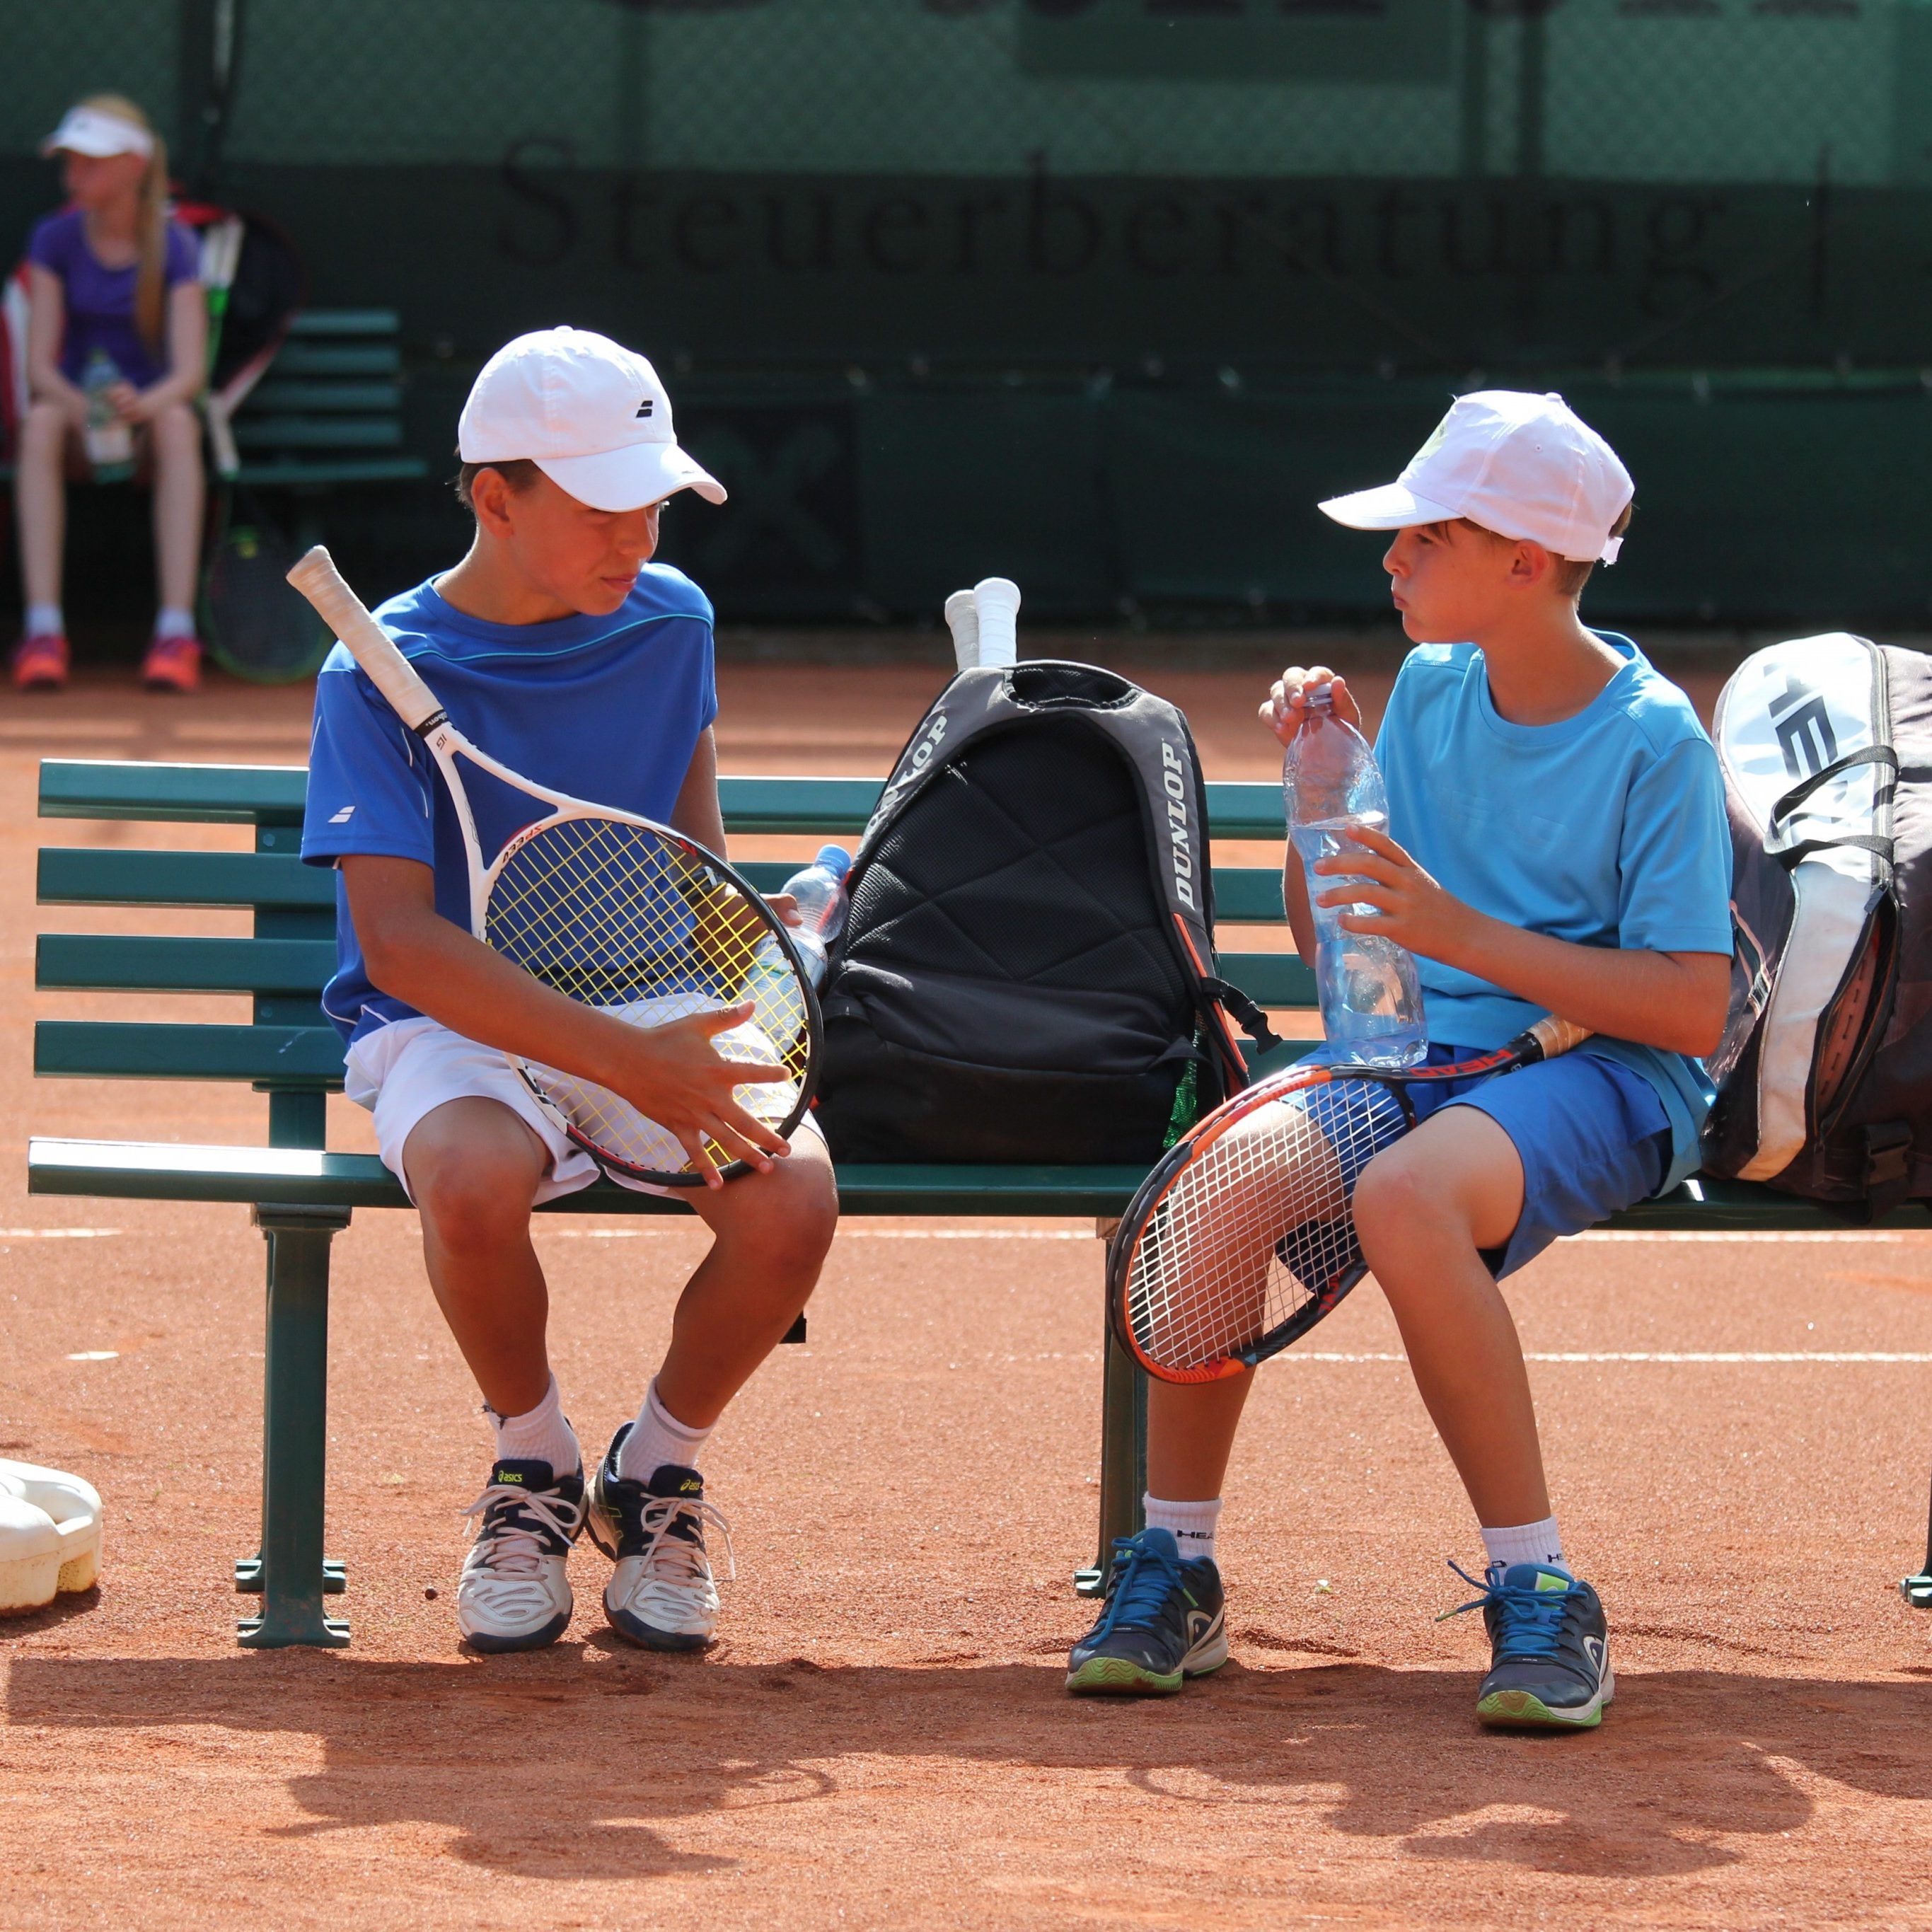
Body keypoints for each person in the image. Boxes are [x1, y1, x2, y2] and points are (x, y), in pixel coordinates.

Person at [1067, 391, 1734, 1730]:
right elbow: (1342, 949)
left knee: (1406, 1195)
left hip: (1608, 1074)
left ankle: (1539, 1588)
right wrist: (1320, 792)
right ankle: (1177, 1566)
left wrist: (1458, 930)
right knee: (1216, 1178)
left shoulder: (1655, 737)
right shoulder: (1428, 690)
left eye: (1425, 536)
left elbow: (1687, 1008)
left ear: (1522, 562)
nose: (1391, 559)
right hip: (1415, 1060)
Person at [300, 327, 839, 1655]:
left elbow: (689, 849)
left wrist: (753, 959)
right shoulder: (369, 672)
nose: (637, 540)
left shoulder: (670, 619)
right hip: (449, 1022)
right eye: (605, 510)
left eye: (653, 505)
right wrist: (624, 1059)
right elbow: (399, 946)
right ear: (496, 497)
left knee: (791, 1200)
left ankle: (654, 1471)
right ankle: (532, 1463)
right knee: (470, 1180)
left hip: (646, 991)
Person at [12, 97, 208, 693]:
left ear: (134, 166)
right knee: (41, 421)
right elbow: (38, 367)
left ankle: (176, 633)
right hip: (76, 426)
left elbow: (190, 372)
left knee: (179, 423)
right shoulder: (53, 237)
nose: (75, 175)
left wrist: (141, 408)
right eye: (70, 162)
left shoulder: (177, 245)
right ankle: (43, 631)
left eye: (90, 162)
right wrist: (85, 409)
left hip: (147, 427)